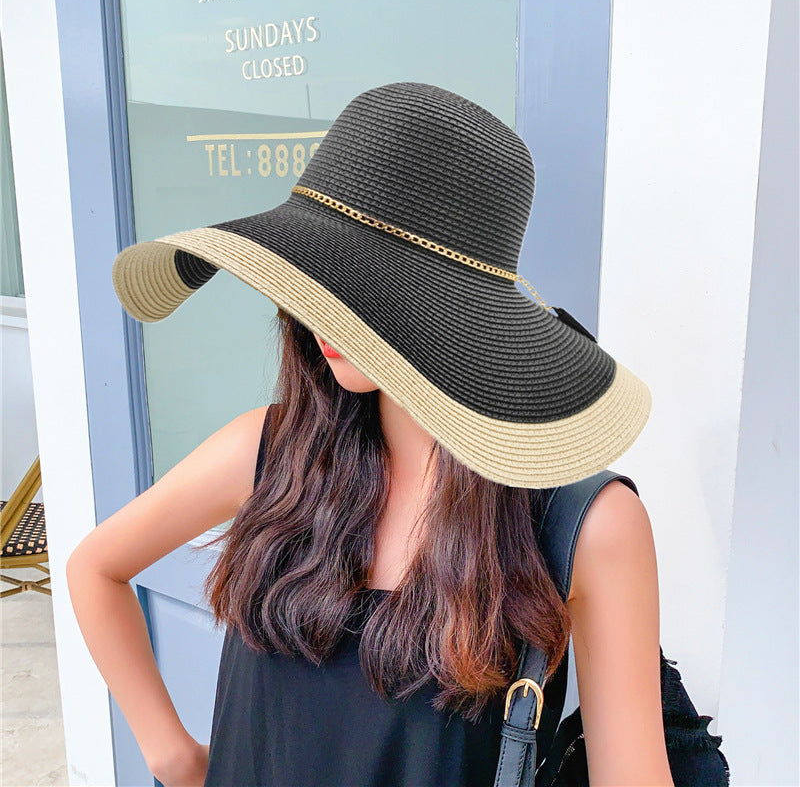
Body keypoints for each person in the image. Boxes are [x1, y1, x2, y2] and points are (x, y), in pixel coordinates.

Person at [67, 82, 673, 786]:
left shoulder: (585, 526)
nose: (324, 316)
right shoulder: (270, 453)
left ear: (457, 311)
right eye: (315, 278)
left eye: (364, 286)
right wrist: (174, 756)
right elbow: (95, 567)